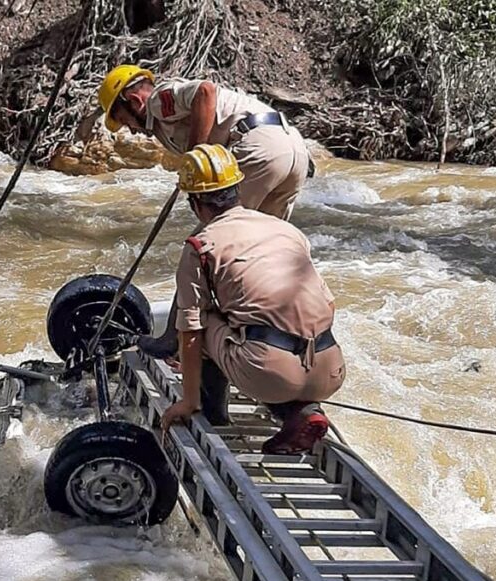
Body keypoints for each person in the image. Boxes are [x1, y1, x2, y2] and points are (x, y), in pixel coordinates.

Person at [96, 65, 313, 357]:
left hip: (258, 149)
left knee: (206, 248)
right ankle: (278, 339)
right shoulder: (161, 121)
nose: (131, 130)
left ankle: (175, 339)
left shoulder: (159, 100)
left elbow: (204, 91)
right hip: (292, 150)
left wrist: (195, 155)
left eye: (123, 120)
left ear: (134, 102)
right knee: (265, 252)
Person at [158, 144, 344, 454]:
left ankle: (214, 416)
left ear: (195, 204)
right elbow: (329, 305)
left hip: (269, 373)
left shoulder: (200, 246)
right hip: (330, 369)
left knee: (206, 320)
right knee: (270, 328)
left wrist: (187, 401)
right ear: (237, 190)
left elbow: (190, 332)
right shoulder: (286, 230)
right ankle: (302, 411)